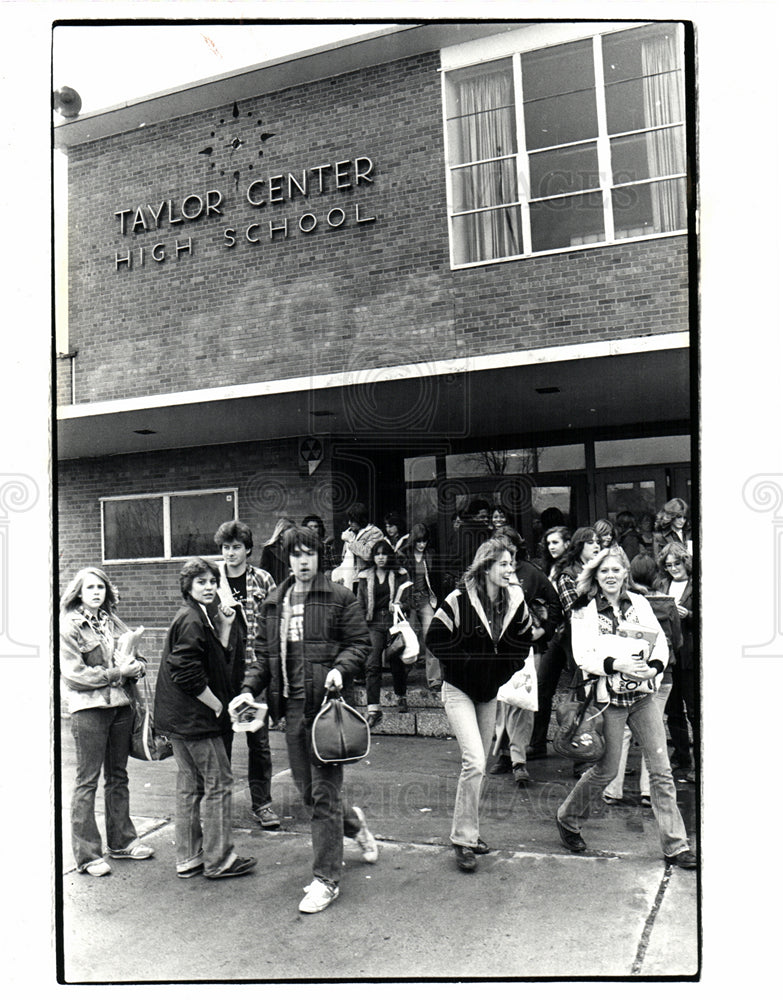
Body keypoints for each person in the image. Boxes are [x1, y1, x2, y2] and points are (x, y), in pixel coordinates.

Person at [230, 527, 378, 914]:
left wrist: (341, 671)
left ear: (319, 556)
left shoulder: (341, 597)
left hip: (326, 709)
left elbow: (360, 644)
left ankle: (327, 879)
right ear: (287, 558)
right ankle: (354, 824)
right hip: (291, 709)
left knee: (322, 796)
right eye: (296, 554)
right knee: (309, 792)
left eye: (309, 553)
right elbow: (263, 656)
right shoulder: (275, 600)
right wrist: (248, 688)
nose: (303, 560)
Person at [554, 546, 696, 869]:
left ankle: (676, 846)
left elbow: (659, 641)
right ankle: (568, 817)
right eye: (604, 571)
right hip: (609, 702)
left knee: (661, 770)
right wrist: (614, 662)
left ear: (625, 573)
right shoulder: (583, 609)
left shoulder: (640, 603)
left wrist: (655, 667)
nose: (611, 576)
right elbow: (582, 655)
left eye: (616, 570)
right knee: (606, 770)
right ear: (595, 575)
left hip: (642, 696)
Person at [426, 539, 534, 872]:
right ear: (486, 566)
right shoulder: (458, 600)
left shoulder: (516, 602)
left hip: (489, 693)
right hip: (458, 690)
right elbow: (435, 639)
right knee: (474, 761)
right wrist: (471, 665)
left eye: (512, 563)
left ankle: (470, 834)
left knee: (481, 764)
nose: (510, 569)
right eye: (503, 563)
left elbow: (523, 644)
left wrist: (499, 672)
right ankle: (462, 840)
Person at [154, 558, 256, 879]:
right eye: (201, 582)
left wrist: (225, 626)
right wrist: (216, 705)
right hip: (195, 720)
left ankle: (189, 857)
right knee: (219, 782)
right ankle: (219, 858)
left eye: (213, 581)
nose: (209, 586)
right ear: (188, 587)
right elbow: (186, 672)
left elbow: (215, 660)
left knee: (190, 785)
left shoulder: (199, 617)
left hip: (179, 721)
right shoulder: (192, 620)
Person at [60, 567, 155, 877]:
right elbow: (74, 676)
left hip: (121, 707)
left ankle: (122, 842)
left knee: (118, 775)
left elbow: (137, 660)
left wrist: (137, 667)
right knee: (87, 780)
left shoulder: (112, 621)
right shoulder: (69, 626)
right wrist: (117, 674)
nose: (97, 592)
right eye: (90, 588)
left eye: (101, 587)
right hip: (89, 710)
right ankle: (87, 855)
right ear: (78, 592)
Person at [213, 519, 280, 829]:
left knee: (259, 743)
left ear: (248, 550)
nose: (230, 553)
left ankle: (262, 804)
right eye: (225, 548)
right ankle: (220, 805)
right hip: (223, 672)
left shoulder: (263, 580)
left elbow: (275, 624)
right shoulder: (211, 580)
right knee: (221, 741)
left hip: (255, 671)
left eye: (236, 548)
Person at [601, 553, 683, 805]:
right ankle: (649, 792)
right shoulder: (666, 603)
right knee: (654, 734)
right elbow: (676, 641)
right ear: (657, 575)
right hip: (662, 675)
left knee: (624, 732)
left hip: (629, 673)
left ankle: (613, 789)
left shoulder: (629, 604)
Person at [488, 528, 562, 784]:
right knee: (502, 702)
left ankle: (518, 761)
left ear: (517, 547)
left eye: (508, 546)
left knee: (522, 703)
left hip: (527, 650)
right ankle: (504, 754)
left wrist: (542, 631)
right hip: (497, 649)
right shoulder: (489, 572)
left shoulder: (532, 573)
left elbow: (556, 605)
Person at [527, 526, 601, 762]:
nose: (551, 547)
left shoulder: (598, 568)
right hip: (565, 634)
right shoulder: (564, 571)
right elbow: (573, 608)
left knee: (583, 690)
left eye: (555, 542)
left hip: (576, 636)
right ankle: (538, 743)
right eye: (591, 542)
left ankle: (583, 753)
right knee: (543, 687)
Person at [357, 539, 412, 725]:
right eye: (377, 554)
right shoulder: (365, 576)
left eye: (384, 554)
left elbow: (410, 601)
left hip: (393, 621)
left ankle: (401, 696)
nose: (381, 557)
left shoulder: (399, 574)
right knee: (372, 663)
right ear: (373, 556)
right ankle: (373, 708)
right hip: (373, 623)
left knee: (396, 660)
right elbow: (360, 604)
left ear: (389, 555)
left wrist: (399, 604)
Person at [656, 541, 697, 781]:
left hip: (690, 653)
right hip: (670, 654)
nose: (673, 568)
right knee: (673, 711)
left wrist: (689, 614)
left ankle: (699, 764)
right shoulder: (661, 584)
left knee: (694, 710)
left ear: (686, 562)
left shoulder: (697, 583)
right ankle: (682, 759)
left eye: (677, 563)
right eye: (668, 565)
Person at [398, 522, 442, 691]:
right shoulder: (403, 555)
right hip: (408, 600)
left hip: (424, 599)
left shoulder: (430, 555)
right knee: (409, 637)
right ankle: (404, 674)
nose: (422, 545)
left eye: (424, 541)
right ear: (413, 541)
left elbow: (435, 579)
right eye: (419, 541)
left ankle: (435, 679)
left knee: (431, 635)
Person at [333, 502, 384, 591]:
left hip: (366, 579)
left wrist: (351, 541)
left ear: (361, 519)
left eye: (353, 520)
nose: (349, 523)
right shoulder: (351, 533)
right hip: (350, 578)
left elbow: (368, 555)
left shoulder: (375, 533)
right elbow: (344, 557)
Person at [444, 497, 491, 593]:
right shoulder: (480, 533)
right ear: (473, 517)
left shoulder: (461, 532)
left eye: (487, 517)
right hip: (474, 580)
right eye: (482, 516)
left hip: (463, 579)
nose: (486, 519)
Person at [260, 517, 297, 585]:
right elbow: (264, 573)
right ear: (281, 533)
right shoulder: (269, 550)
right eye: (290, 533)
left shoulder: (296, 549)